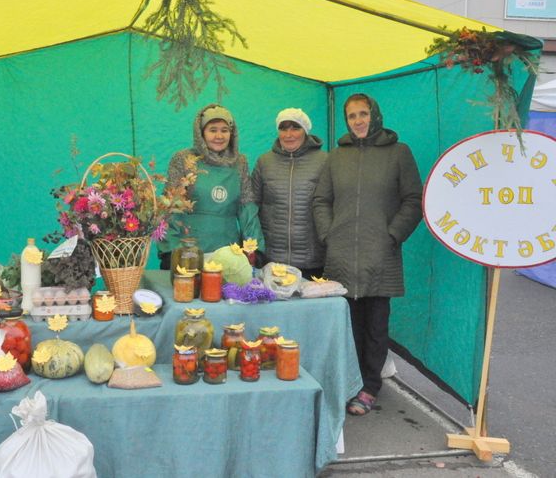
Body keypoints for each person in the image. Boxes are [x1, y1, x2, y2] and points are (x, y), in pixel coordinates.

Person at [312, 93, 422, 416]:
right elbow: (321, 200)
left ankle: (370, 386)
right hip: (342, 255)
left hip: (380, 254)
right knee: (348, 325)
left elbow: (413, 200)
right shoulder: (336, 157)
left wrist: (392, 235)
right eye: (352, 116)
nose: (358, 121)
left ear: (375, 114)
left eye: (363, 114)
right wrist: (328, 234)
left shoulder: (398, 153)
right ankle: (350, 383)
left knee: (375, 325)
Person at [158, 103, 264, 267]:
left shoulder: (239, 163)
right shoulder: (184, 159)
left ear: (232, 133)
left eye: (224, 130)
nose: (219, 136)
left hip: (229, 251)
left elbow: (247, 208)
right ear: (201, 133)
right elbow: (171, 207)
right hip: (190, 251)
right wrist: (169, 249)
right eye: (213, 130)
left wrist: (255, 248)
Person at [252, 108, 326, 279]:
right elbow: (252, 206)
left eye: (295, 128)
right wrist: (257, 249)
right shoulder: (264, 162)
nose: (289, 134)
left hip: (313, 260)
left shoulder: (324, 161)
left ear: (305, 131)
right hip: (272, 260)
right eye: (283, 128)